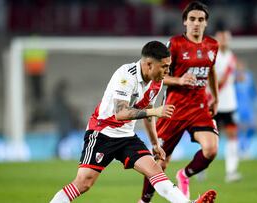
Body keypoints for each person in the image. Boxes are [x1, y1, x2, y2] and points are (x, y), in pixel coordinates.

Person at [49, 41, 217, 203]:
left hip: (127, 137)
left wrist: (155, 143)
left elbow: (148, 114)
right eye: (165, 66)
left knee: (154, 170)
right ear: (149, 64)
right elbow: (121, 113)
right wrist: (155, 111)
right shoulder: (126, 75)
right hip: (102, 133)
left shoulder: (156, 82)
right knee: (84, 183)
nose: (168, 70)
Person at [139, 2, 219, 202]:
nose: (196, 23)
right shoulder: (175, 44)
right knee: (160, 162)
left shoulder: (212, 45)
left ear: (206, 23)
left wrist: (215, 97)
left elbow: (211, 71)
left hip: (199, 107)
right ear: (185, 22)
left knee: (211, 148)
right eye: (192, 19)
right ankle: (144, 200)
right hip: (174, 108)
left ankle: (184, 175)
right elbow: (158, 76)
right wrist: (180, 80)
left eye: (200, 19)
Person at [212, 29, 242, 183]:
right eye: (221, 37)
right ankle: (200, 169)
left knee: (232, 136)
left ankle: (231, 171)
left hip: (229, 104)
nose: (224, 40)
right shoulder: (212, 56)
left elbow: (235, 78)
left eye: (226, 37)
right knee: (209, 139)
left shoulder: (230, 56)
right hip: (214, 103)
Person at [235, 60, 257, 158]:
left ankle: (246, 146)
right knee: (239, 129)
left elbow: (253, 90)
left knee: (253, 127)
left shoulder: (249, 76)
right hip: (237, 108)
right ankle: (241, 149)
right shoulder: (233, 78)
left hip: (248, 107)